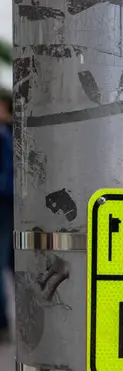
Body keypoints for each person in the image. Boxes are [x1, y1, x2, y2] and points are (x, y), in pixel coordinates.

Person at [0, 90, 13, 342]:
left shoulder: (3, 135)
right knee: (15, 264)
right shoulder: (14, 132)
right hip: (12, 204)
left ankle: (1, 322)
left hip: (3, 204)